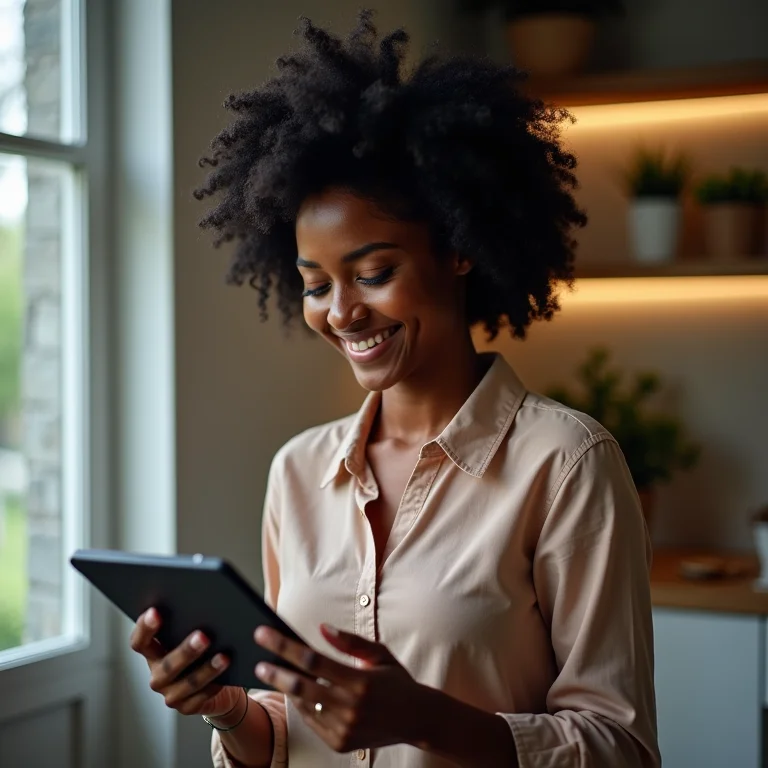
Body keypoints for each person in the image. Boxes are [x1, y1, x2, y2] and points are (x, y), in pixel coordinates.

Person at [129, 10, 659, 768]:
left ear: (459, 250)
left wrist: (432, 721)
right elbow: (292, 729)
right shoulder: (299, 473)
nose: (341, 312)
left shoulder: (567, 465)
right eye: (316, 285)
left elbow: (624, 750)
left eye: (373, 273)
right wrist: (231, 714)